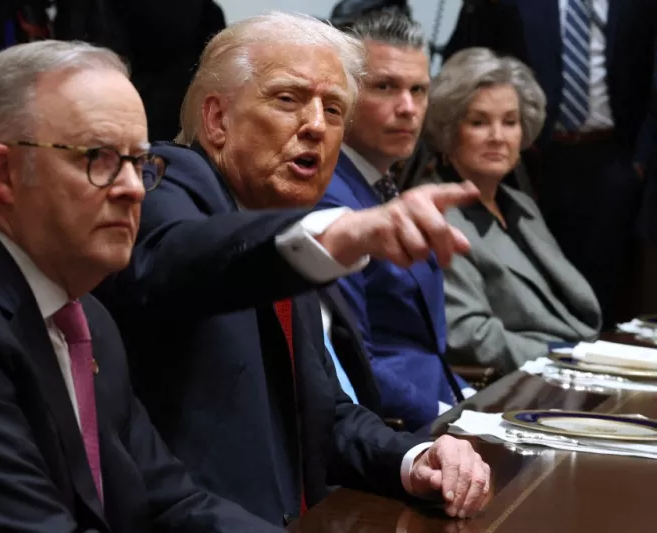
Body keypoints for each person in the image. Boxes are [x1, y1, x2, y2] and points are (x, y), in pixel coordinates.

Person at [0, 40, 284, 532]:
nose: (133, 188)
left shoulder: (84, 314)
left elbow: (171, 501)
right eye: (99, 158)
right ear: (3, 173)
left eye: (139, 163)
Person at [95, 12, 491, 526]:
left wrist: (415, 459)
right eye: (288, 99)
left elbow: (322, 415)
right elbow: (180, 256)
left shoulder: (282, 225)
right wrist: (333, 236)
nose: (317, 126)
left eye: (333, 109)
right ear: (217, 120)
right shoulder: (166, 188)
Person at [444, 0, 657, 327]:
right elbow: (468, 62)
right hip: (533, 160)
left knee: (608, 286)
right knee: (531, 276)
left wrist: (641, 159)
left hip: (613, 156)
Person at [317, 9, 475, 432]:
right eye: (384, 87)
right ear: (342, 94)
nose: (408, 108)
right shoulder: (327, 194)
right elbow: (354, 359)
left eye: (419, 90)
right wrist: (455, 419)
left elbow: (425, 347)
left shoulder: (380, 184)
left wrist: (473, 404)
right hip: (399, 429)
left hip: (440, 407)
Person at [423, 47, 601, 374]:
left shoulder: (521, 204)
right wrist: (570, 358)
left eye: (510, 122)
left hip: (576, 361)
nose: (497, 137)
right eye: (478, 122)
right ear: (449, 131)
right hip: (524, 380)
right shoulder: (437, 213)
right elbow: (469, 334)